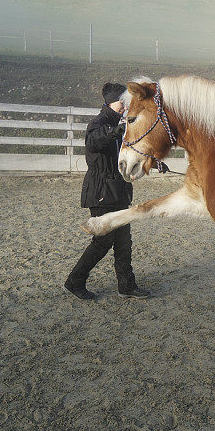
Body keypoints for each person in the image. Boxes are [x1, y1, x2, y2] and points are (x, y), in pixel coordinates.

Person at [64, 82, 150, 300]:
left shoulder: (121, 124)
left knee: (123, 240)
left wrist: (152, 163)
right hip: (101, 191)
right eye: (123, 101)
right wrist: (114, 132)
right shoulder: (99, 123)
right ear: (114, 102)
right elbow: (94, 142)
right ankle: (75, 281)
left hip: (119, 191)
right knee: (103, 241)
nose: (126, 104)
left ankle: (126, 285)